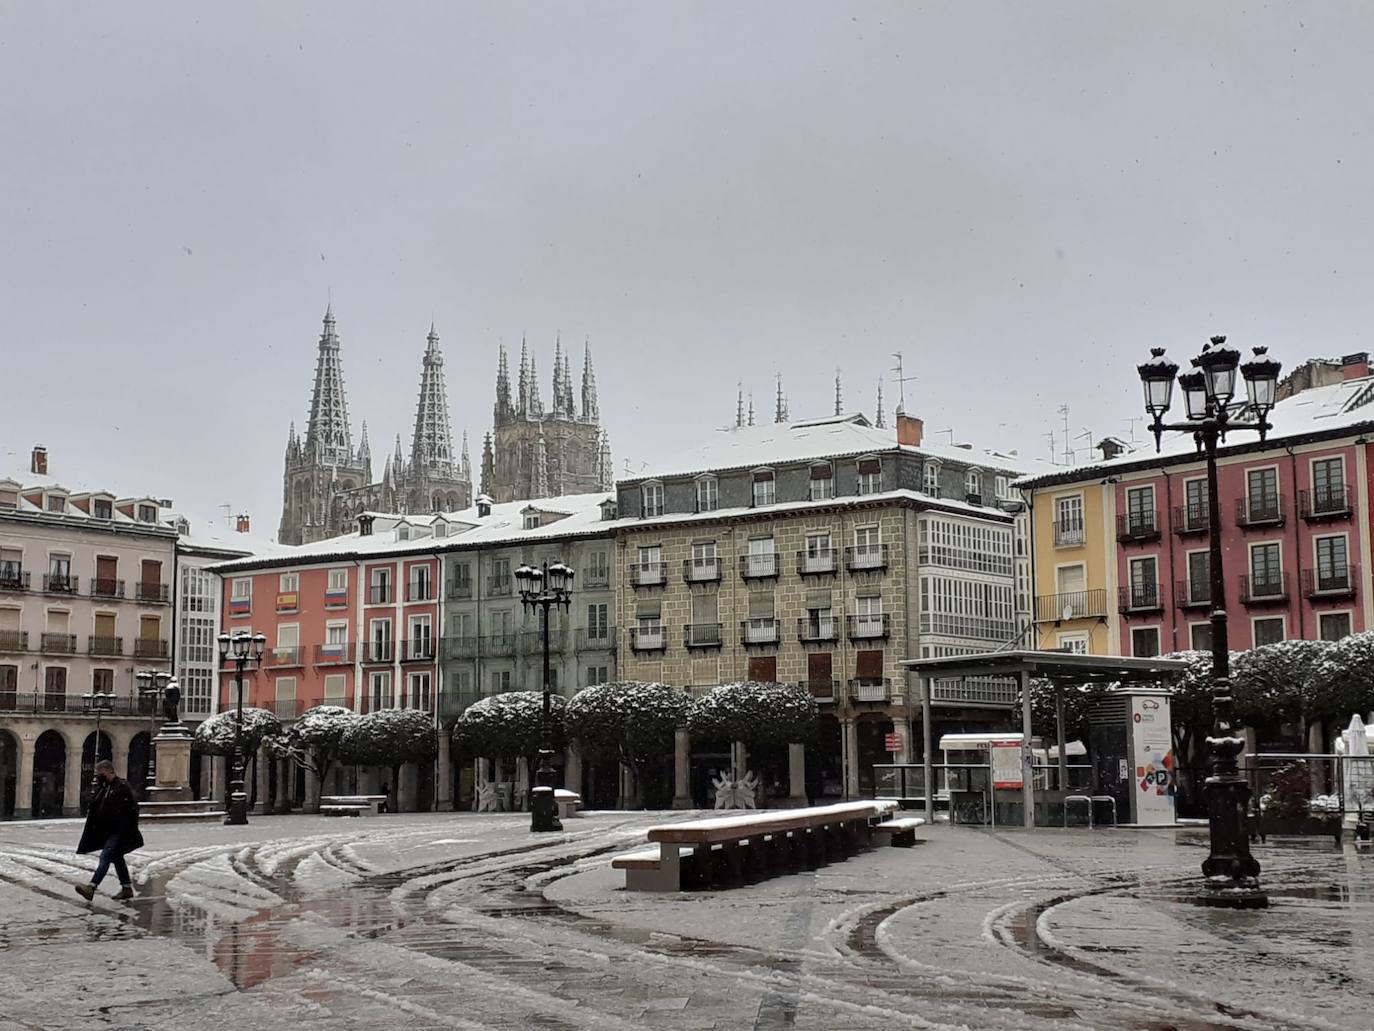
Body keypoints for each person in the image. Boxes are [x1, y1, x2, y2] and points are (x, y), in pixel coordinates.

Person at [75, 759, 143, 901]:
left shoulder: (121, 786)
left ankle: (91, 887)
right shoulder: (105, 788)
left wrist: (127, 828)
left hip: (119, 830)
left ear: (107, 771)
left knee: (106, 856)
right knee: (117, 857)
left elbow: (132, 808)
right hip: (109, 830)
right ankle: (126, 888)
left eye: (100, 772)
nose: (98, 775)